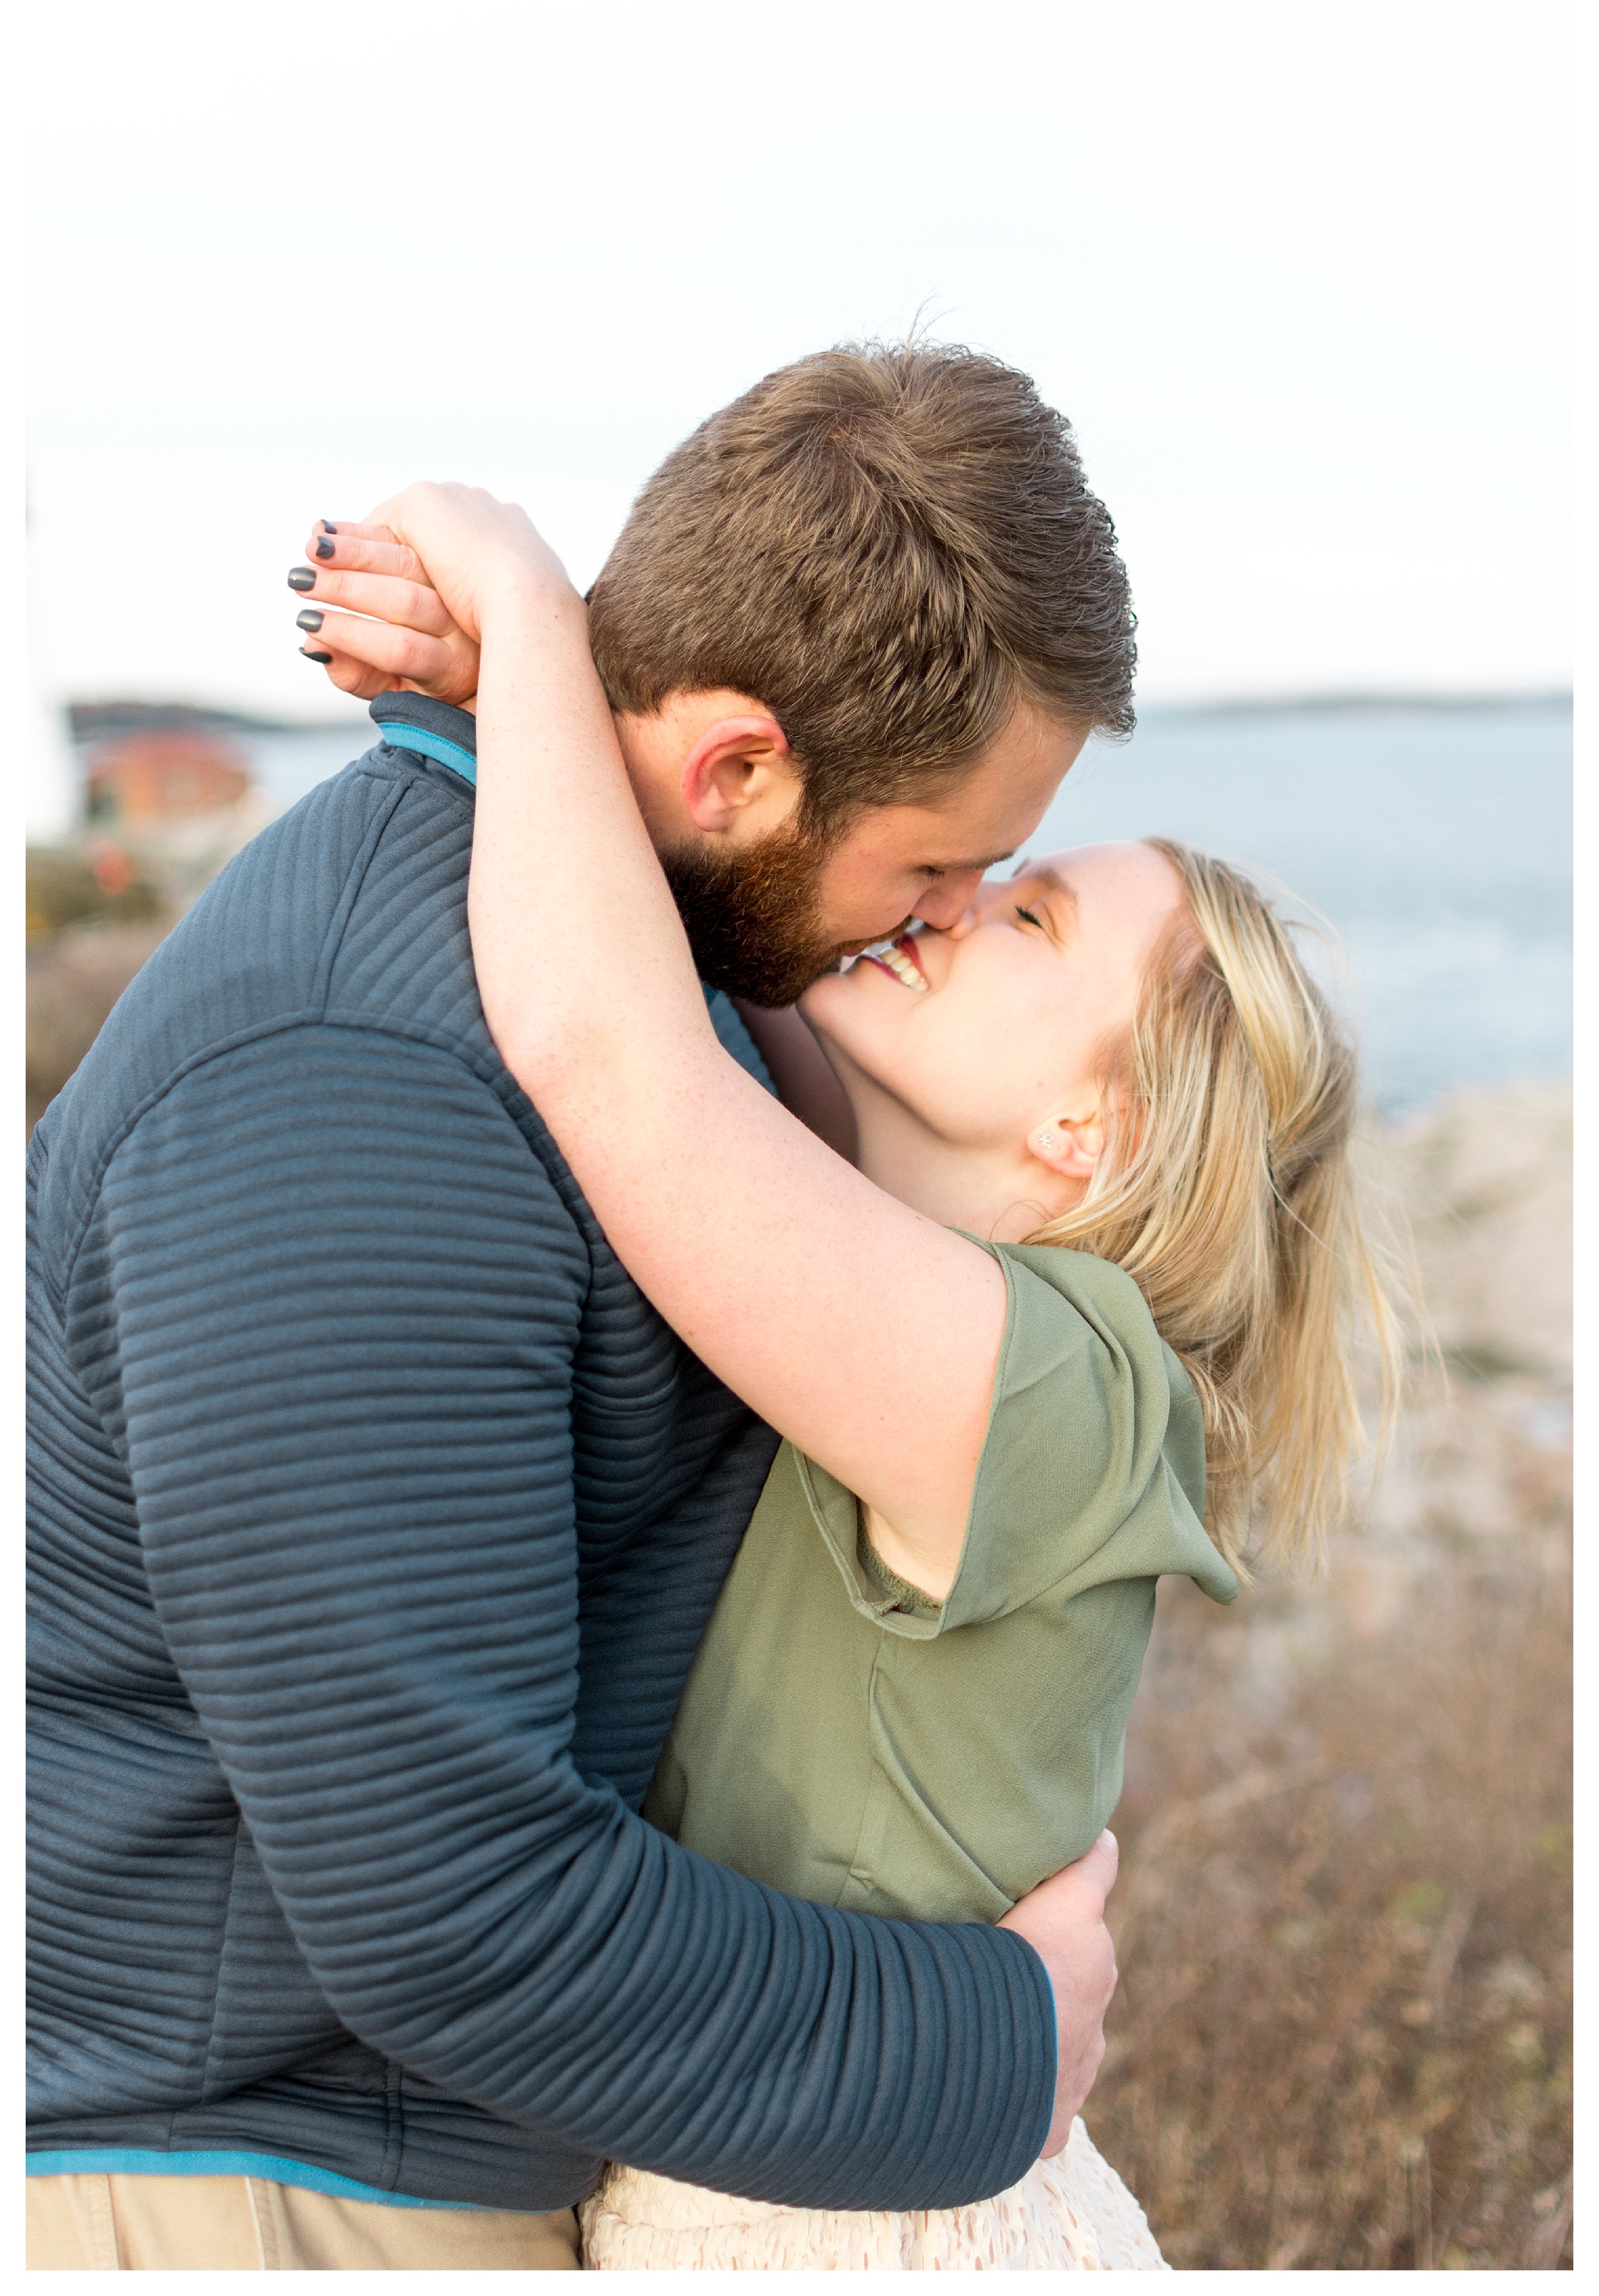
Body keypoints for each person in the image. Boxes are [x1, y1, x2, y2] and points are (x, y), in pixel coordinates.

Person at [28, 344, 1138, 2272]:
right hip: (266, 2190)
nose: (939, 915)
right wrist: (992, 2043)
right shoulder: (351, 1080)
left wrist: (530, 641)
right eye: (938, 862)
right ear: (733, 769)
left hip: (419, 2150)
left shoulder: (646, 979)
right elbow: (440, 1901)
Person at [336, 479, 1401, 2270]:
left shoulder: (1062, 1391)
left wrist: (527, 608)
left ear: (1092, 1120)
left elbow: (610, 1043)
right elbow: (696, 924)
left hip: (864, 2224)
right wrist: (553, 715)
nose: (958, 898)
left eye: (1032, 920)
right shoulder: (906, 1271)